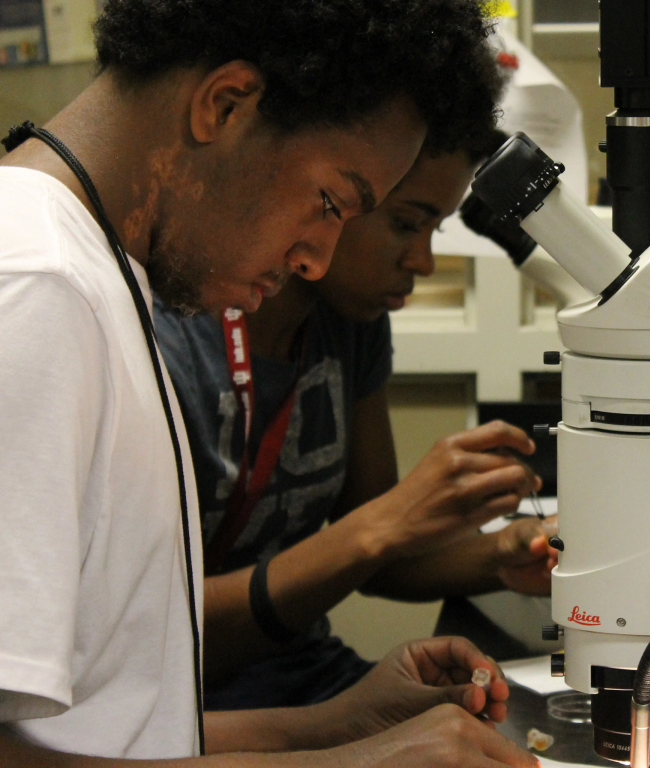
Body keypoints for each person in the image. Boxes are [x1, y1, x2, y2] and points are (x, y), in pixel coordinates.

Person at [0, 0, 540, 766]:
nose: (317, 259)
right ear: (226, 105)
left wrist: (341, 726)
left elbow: (116, 730)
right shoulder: (33, 288)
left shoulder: (102, 278)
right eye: (329, 202)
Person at [155, 128, 558, 711]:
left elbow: (382, 563)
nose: (421, 260)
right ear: (336, 195)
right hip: (179, 704)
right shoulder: (171, 342)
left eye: (434, 229)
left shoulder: (350, 325)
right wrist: (389, 521)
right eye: (405, 223)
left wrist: (504, 553)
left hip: (301, 676)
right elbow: (150, 637)